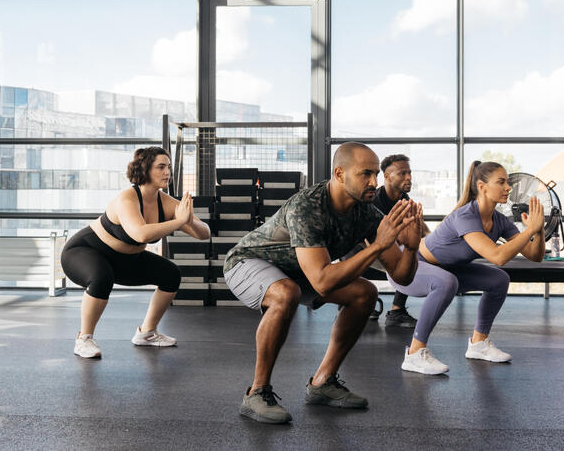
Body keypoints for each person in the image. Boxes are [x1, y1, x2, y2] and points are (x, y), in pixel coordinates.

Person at [223, 142, 422, 424]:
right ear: (340, 174)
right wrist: (377, 246)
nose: (374, 182)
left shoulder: (365, 212)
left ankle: (323, 383)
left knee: (365, 293)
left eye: (376, 174)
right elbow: (322, 282)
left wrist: (412, 248)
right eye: (366, 173)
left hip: (300, 269)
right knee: (285, 293)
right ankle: (257, 392)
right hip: (247, 262)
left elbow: (402, 277)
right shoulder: (307, 206)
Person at [392, 160, 545, 374]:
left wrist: (538, 230)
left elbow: (534, 256)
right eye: (501, 182)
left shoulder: (499, 220)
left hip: (447, 270)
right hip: (410, 267)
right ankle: (415, 353)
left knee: (498, 279)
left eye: (508, 182)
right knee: (447, 282)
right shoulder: (466, 216)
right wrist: (529, 232)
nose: (508, 187)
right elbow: (498, 256)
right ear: (482, 187)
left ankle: (479, 344)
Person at [60, 147, 210, 359]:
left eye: (168, 167)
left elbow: (205, 233)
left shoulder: (165, 202)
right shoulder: (127, 199)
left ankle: (146, 333)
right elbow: (140, 234)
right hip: (84, 251)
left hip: (125, 259)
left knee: (170, 274)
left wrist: (189, 220)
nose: (167, 172)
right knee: (101, 277)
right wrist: (179, 221)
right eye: (161, 167)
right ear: (145, 169)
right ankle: (83, 339)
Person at [369, 154, 431, 328]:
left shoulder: (405, 200)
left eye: (409, 173)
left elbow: (421, 231)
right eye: (403, 173)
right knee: (408, 254)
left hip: (390, 251)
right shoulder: (374, 200)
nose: (409, 177)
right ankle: (353, 303)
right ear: (388, 177)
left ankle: (397, 311)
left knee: (415, 253)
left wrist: (433, 241)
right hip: (367, 250)